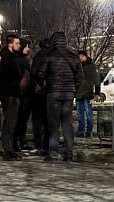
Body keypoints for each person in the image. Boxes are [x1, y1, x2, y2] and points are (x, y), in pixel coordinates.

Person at [32, 31, 81, 162]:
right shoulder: (74, 56)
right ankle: (69, 153)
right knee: (67, 124)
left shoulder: (49, 56)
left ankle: (53, 154)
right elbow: (79, 78)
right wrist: (73, 90)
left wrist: (44, 85)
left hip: (53, 93)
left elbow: (40, 74)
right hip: (68, 94)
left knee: (53, 125)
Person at [0, 35, 25, 161]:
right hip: (9, 94)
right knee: (9, 123)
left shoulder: (12, 57)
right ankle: (7, 150)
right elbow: (9, 77)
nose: (19, 45)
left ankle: (9, 149)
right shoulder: (7, 58)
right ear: (10, 44)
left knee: (11, 122)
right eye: (17, 43)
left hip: (13, 93)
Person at [13, 38, 34, 152]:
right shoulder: (21, 60)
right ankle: (18, 142)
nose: (27, 49)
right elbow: (24, 79)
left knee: (22, 120)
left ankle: (20, 141)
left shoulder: (20, 59)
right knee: (20, 119)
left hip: (24, 95)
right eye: (26, 46)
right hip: (23, 95)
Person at [75, 50, 101, 139]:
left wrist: (97, 93)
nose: (80, 58)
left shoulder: (91, 66)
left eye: (82, 56)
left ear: (85, 56)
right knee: (80, 115)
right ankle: (81, 132)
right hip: (79, 93)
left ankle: (88, 132)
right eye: (79, 56)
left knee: (88, 113)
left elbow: (97, 80)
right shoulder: (78, 66)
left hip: (87, 93)